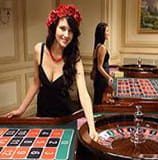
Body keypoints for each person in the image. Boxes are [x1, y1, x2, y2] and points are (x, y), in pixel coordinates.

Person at [5, 4, 98, 140]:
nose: (66, 35)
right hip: (43, 113)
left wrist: (92, 127)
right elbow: (36, 84)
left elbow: (83, 93)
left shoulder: (74, 57)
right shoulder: (39, 50)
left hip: (64, 117)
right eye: (62, 28)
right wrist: (21, 110)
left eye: (71, 31)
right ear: (54, 27)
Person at [91, 22, 113, 104]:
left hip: (100, 79)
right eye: (107, 31)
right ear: (102, 33)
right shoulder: (102, 47)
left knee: (98, 101)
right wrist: (109, 77)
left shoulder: (97, 46)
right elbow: (99, 67)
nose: (108, 33)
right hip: (101, 80)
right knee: (100, 102)